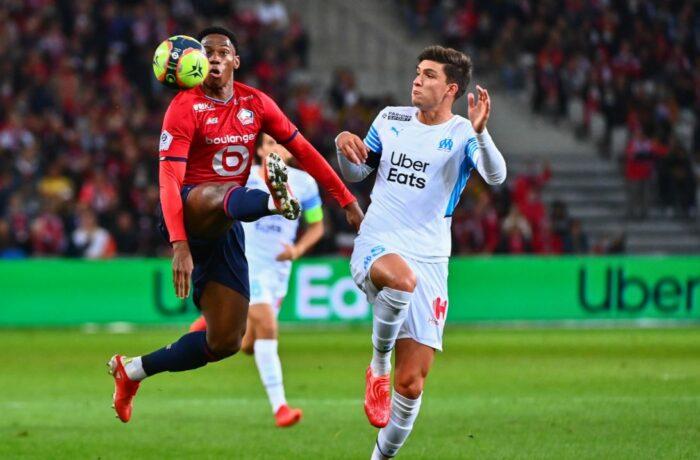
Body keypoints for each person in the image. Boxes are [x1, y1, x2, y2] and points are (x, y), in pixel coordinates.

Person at [108, 27, 363, 423]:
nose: (214, 57)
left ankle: (133, 371)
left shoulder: (255, 103)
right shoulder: (183, 107)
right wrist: (179, 245)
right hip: (189, 211)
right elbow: (169, 180)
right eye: (206, 52)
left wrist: (346, 199)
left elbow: (304, 151)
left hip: (226, 228)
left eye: (222, 51)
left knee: (226, 340)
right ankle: (274, 202)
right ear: (195, 61)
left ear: (235, 61)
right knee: (223, 190)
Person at [335, 45, 506, 459]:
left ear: (450, 89)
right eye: (417, 72)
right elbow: (358, 172)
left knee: (411, 385)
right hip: (378, 241)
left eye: (429, 75)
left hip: (430, 258)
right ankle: (378, 365)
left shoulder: (463, 133)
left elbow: (495, 176)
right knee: (400, 279)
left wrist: (481, 132)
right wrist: (343, 145)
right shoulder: (390, 119)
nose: (417, 79)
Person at [188, 133, 325, 427]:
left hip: (278, 270)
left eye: (281, 144)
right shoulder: (244, 177)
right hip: (246, 262)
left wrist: (297, 250)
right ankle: (280, 407)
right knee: (268, 326)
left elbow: (317, 226)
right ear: (261, 150)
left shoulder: (305, 184)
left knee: (249, 344)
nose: (276, 148)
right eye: (270, 143)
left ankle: (215, 323)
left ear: (289, 152)